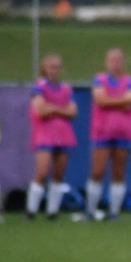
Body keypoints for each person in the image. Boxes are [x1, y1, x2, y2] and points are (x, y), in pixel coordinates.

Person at [83, 47, 131, 221]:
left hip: (124, 133)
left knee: (119, 173)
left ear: (125, 62)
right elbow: (100, 100)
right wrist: (121, 101)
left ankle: (114, 212)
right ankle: (91, 211)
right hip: (102, 133)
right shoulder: (100, 80)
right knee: (98, 172)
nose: (115, 64)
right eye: (112, 60)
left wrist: (110, 101)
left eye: (119, 60)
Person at [26, 53, 77, 220]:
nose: (54, 70)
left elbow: (73, 112)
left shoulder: (67, 89)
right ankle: (31, 209)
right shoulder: (39, 87)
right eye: (51, 67)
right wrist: (61, 109)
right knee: (42, 172)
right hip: (44, 135)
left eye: (57, 67)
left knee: (59, 174)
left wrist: (53, 109)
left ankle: (52, 211)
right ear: (45, 69)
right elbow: (41, 110)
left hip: (64, 135)